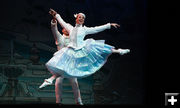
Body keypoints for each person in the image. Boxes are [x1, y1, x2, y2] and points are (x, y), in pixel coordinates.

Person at [45, 8, 130, 79]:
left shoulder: (85, 29)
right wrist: (55, 14)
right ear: (76, 18)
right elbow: (61, 22)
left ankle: (119, 51)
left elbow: (97, 29)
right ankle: (51, 79)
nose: (81, 18)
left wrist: (109, 25)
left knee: (100, 48)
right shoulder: (70, 28)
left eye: (82, 18)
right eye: (79, 17)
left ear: (84, 20)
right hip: (72, 49)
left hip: (82, 47)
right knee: (63, 63)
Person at [39, 18, 83, 105]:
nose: (66, 29)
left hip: (70, 63)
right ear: (62, 29)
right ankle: (58, 101)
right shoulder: (59, 38)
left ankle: (78, 101)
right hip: (60, 63)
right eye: (65, 28)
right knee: (58, 82)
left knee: (74, 82)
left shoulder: (73, 39)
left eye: (68, 28)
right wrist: (54, 23)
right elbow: (54, 30)